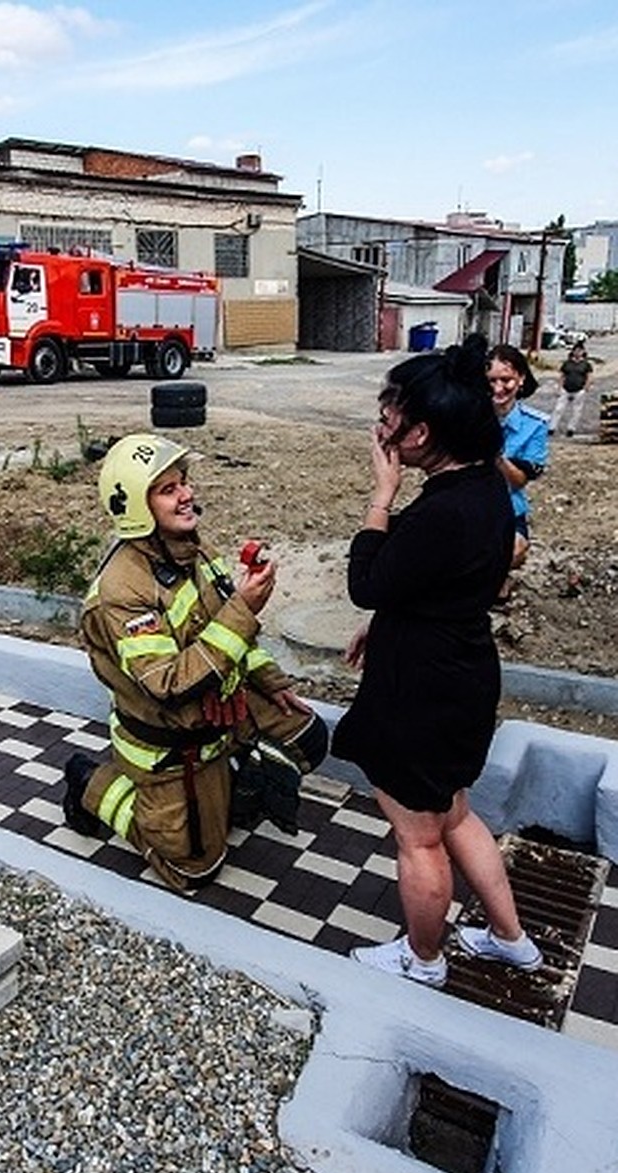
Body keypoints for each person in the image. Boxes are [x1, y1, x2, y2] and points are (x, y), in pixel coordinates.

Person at [333, 335, 543, 987]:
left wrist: (381, 495)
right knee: (453, 810)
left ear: (422, 432)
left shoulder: (441, 507)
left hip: (422, 688)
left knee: (419, 836)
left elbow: (369, 581)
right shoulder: (484, 487)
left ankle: (423, 961)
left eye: (391, 413)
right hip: (460, 667)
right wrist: (386, 623)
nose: (382, 423)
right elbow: (427, 582)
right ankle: (511, 941)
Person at [63, 433, 329, 893]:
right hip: (172, 745)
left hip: (217, 714)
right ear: (138, 509)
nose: (187, 494)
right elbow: (168, 684)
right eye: (168, 489)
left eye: (183, 481)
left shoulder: (192, 548)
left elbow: (224, 626)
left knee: (306, 735)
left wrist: (271, 680)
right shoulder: (121, 591)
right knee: (194, 872)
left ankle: (227, 796)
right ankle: (93, 783)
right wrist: (244, 609)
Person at [488, 343, 547, 596]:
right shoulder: (465, 415)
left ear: (521, 379)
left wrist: (496, 455)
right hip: (465, 507)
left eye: (506, 380)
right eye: (491, 380)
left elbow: (520, 481)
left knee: (515, 550)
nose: (498, 388)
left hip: (508, 510)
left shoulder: (534, 426)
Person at [549, 340, 592, 437]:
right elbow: (562, 376)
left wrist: (585, 388)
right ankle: (551, 428)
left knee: (576, 411)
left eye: (580, 350)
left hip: (579, 389)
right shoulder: (567, 363)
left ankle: (571, 429)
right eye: (576, 350)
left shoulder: (586, 364)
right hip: (565, 389)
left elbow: (589, 376)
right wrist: (559, 388)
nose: (577, 352)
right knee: (558, 409)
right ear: (572, 351)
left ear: (583, 352)